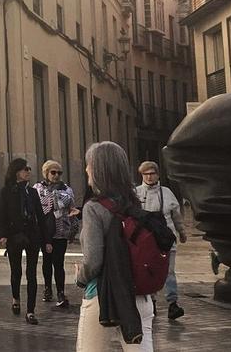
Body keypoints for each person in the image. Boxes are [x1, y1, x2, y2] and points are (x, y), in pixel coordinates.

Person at [76, 141, 154, 351]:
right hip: (139, 297)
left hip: (103, 298)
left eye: (89, 165)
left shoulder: (93, 208)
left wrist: (80, 276)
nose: (86, 170)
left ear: (99, 169)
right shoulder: (135, 204)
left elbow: (94, 261)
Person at [0, 157, 54, 325]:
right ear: (16, 172)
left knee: (31, 274)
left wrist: (47, 241)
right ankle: (16, 298)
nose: (28, 172)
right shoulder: (6, 191)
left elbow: (41, 218)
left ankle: (30, 311)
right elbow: (1, 215)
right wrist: (3, 235)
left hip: (32, 236)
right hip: (15, 236)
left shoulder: (33, 192)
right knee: (16, 272)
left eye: (29, 169)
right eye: (25, 169)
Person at [135, 161, 186, 320]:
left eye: (152, 173)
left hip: (166, 239)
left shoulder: (166, 193)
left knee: (169, 272)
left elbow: (176, 216)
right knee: (149, 271)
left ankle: (173, 303)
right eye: (146, 174)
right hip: (146, 242)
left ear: (157, 174)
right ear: (142, 175)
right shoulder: (136, 193)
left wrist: (182, 232)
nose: (149, 177)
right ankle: (152, 302)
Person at [33, 159, 77, 308]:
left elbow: (72, 208)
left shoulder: (67, 189)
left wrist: (72, 230)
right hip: (45, 232)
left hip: (61, 231)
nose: (56, 175)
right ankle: (47, 288)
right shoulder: (38, 188)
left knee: (59, 263)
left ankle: (60, 291)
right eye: (53, 172)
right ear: (46, 173)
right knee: (47, 261)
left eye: (59, 173)